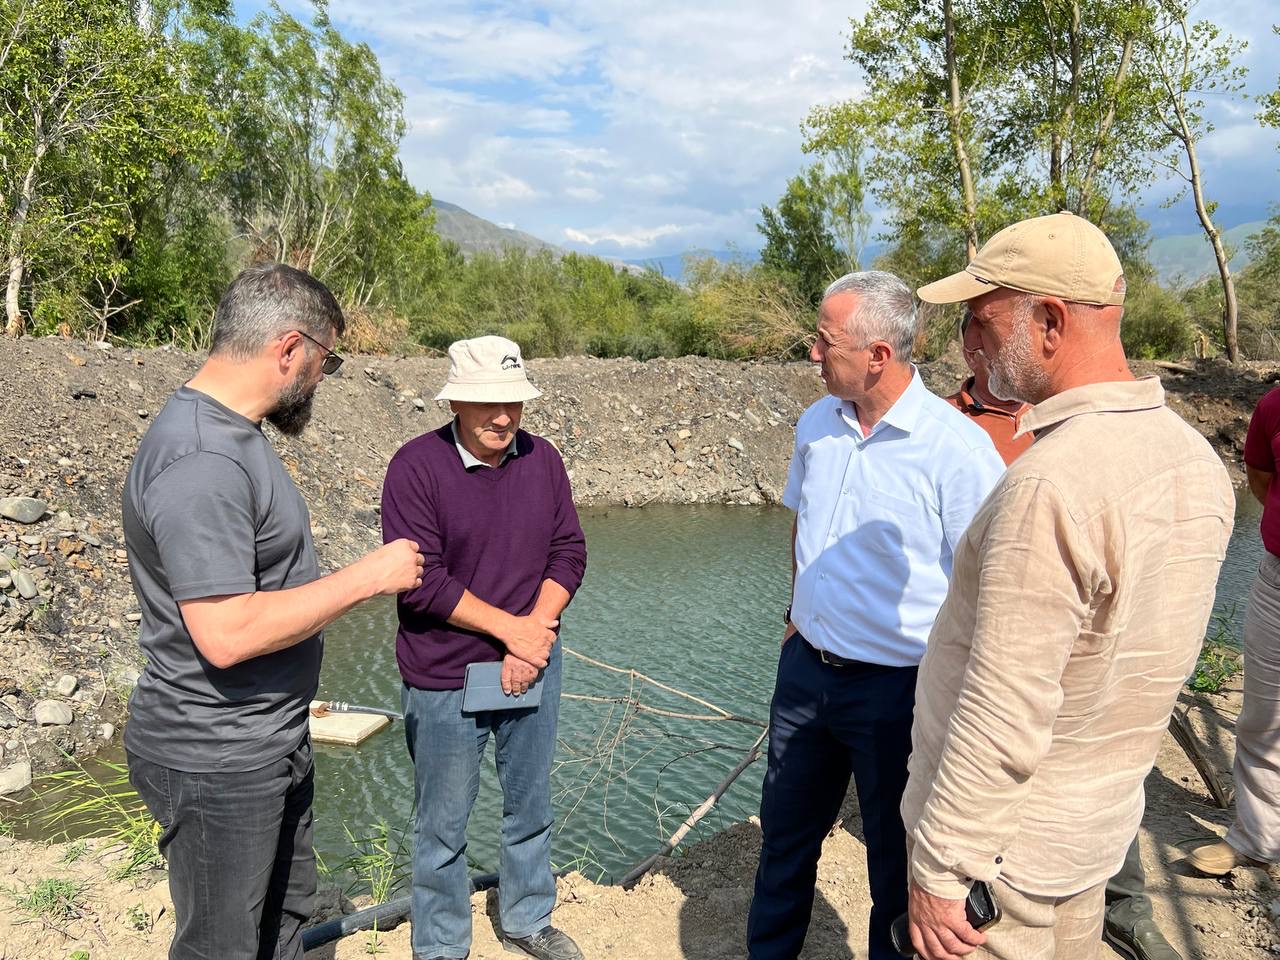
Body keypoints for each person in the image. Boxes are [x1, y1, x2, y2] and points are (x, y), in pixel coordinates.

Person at [903, 212, 1234, 960]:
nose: (970, 343)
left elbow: (1003, 708)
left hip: (1001, 868)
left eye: (981, 319)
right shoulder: (1192, 460)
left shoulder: (1051, 486)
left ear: (1049, 321)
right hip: (1093, 835)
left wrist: (942, 867)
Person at [122, 262, 425, 960]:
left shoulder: (234, 432)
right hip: (216, 758)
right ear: (289, 349)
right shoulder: (201, 460)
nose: (323, 378)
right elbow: (225, 634)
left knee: (285, 926)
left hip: (266, 740)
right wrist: (367, 578)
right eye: (326, 361)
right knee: (222, 947)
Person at [747, 271, 1006, 960]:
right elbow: (802, 526)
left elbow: (986, 589)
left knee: (896, 867)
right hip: (806, 674)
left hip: (901, 691)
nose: (812, 354)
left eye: (824, 342)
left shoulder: (957, 451)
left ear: (878, 355)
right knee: (783, 840)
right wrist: (798, 614)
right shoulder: (816, 423)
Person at [947, 311, 1182, 960]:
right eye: (969, 336)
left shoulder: (1068, 416)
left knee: (1091, 768)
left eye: (988, 333)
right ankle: (981, 903)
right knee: (991, 769)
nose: (978, 347)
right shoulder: (945, 422)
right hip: (987, 621)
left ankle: (1127, 907)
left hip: (1075, 624)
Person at [381, 335, 588, 960]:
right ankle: (442, 945)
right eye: (487, 404)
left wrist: (534, 637)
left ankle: (528, 918)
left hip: (534, 663)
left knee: (531, 806)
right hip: (444, 677)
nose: (503, 417)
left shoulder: (543, 460)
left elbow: (569, 552)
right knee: (441, 827)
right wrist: (513, 632)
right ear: (457, 402)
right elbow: (423, 582)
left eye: (514, 403)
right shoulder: (415, 467)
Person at [1184, 389, 1280, 878]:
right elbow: (1263, 483)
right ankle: (1258, 839)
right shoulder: (1274, 405)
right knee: (1264, 717)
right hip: (1277, 580)